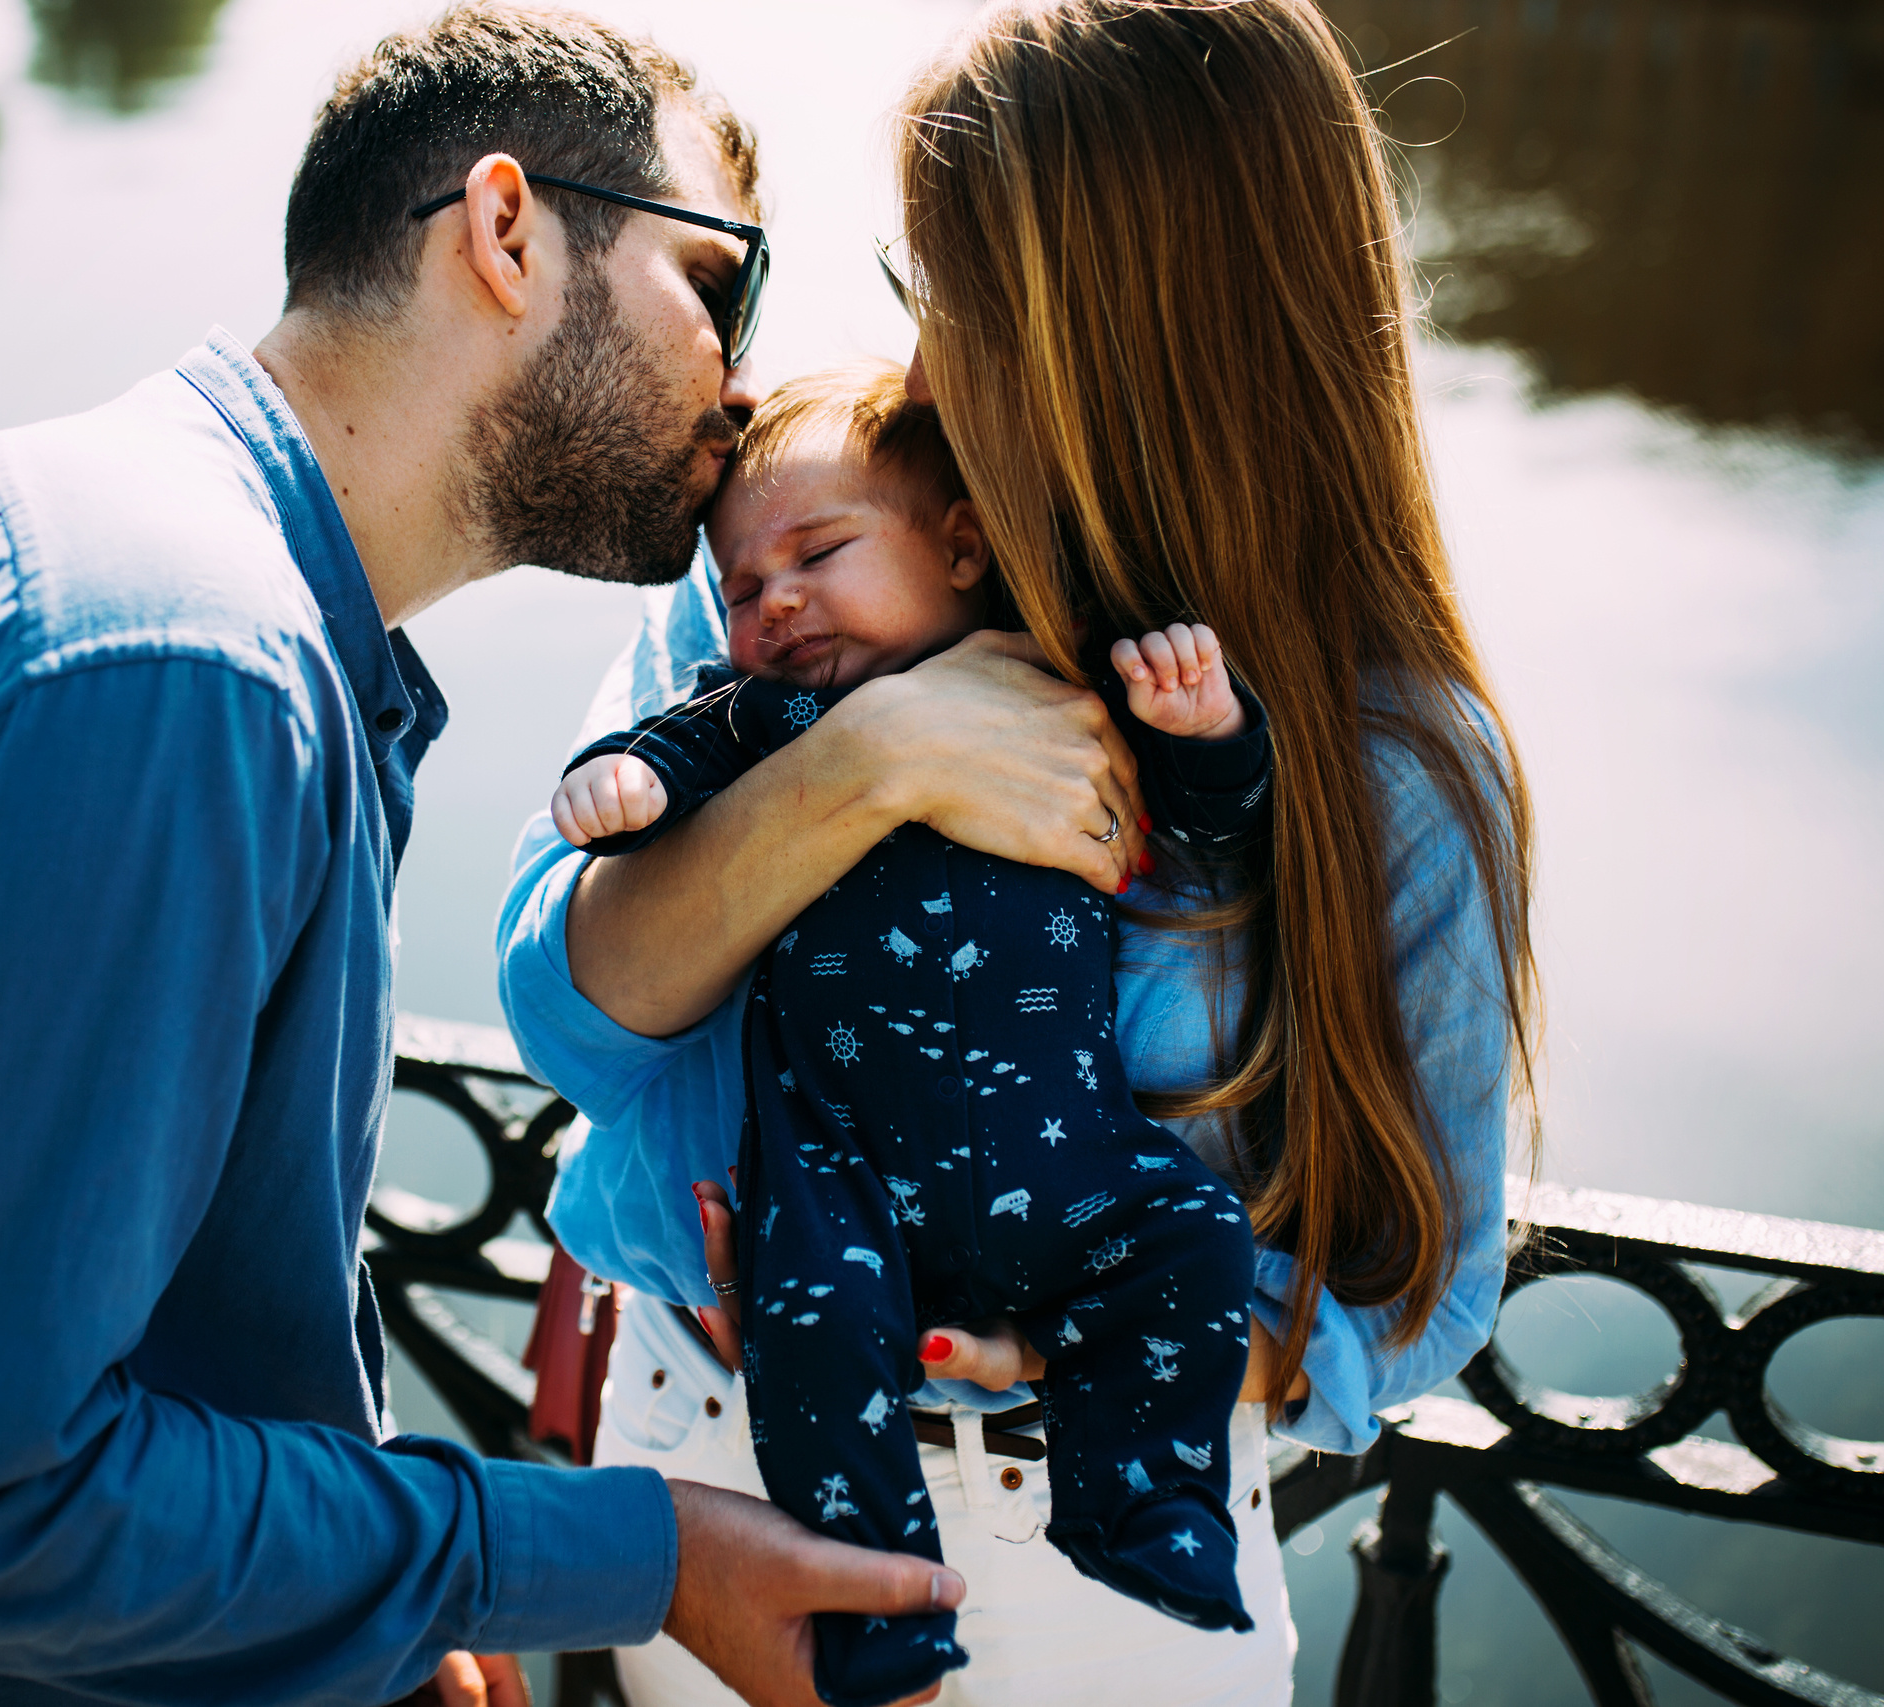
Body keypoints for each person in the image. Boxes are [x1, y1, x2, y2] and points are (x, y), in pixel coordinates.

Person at [0, 9, 968, 1707]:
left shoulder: (146, 571)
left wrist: (369, 1603)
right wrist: (620, 1554)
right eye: (720, 286)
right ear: (504, 233)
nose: (744, 387)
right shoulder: (168, 672)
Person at [496, 3, 1539, 1703]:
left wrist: (1084, 1347)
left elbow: (1413, 1294)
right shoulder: (805, 568)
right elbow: (571, 1016)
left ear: (1115, 333)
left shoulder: (1387, 753)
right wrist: (871, 764)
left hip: (1110, 1546)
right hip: (720, 1454)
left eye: (948, 294)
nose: (917, 356)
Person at [548, 363, 1274, 1707]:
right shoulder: (770, 717)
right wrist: (626, 783)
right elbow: (667, 766)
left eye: (819, 556)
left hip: (1072, 1162)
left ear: (958, 544)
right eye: (742, 589)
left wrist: (1208, 727)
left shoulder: (1064, 688)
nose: (775, 606)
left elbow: (1213, 824)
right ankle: (875, 1612)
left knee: (1193, 1240)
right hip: (844, 1167)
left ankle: (1140, 1503)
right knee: (811, 1326)